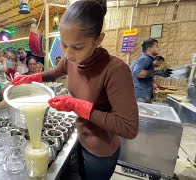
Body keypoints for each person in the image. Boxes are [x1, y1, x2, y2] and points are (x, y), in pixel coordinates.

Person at [12, 1, 139, 179]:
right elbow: (56, 72)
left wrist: (77, 106)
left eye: (78, 47)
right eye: (64, 45)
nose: (69, 54)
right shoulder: (72, 59)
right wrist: (30, 78)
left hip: (99, 151)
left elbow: (129, 127)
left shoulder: (115, 70)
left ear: (98, 40)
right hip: (78, 136)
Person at [131, 38, 172, 103]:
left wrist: (158, 85)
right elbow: (138, 73)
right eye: (156, 46)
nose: (158, 48)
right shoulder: (145, 59)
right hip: (141, 95)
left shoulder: (143, 59)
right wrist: (158, 72)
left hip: (141, 93)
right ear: (149, 49)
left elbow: (147, 76)